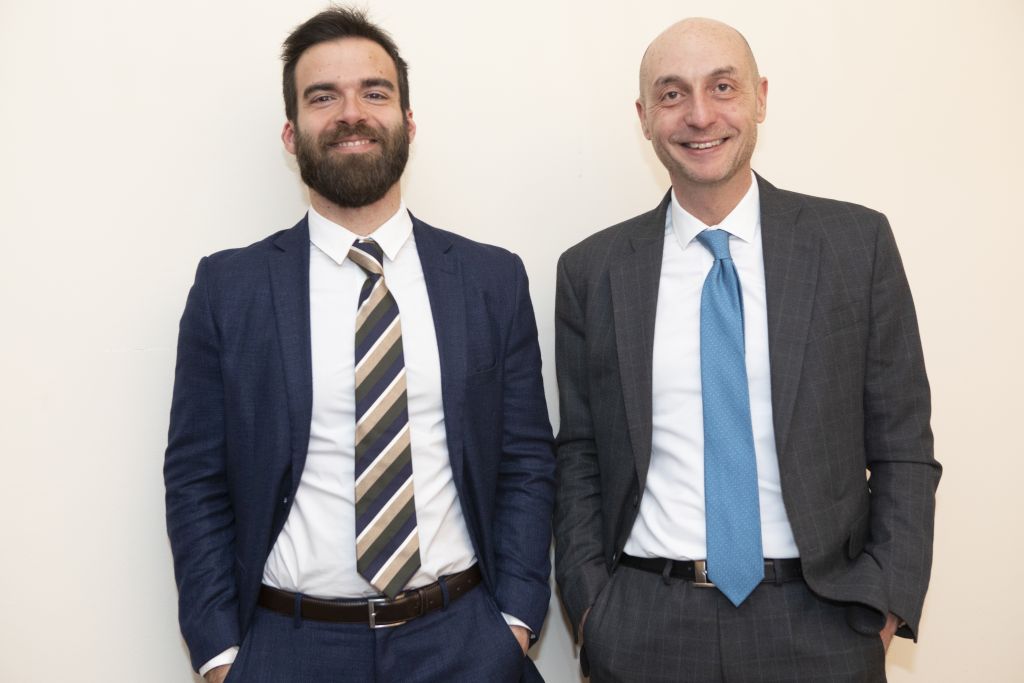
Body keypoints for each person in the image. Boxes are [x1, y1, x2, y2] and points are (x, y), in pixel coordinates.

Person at [164, 8, 554, 682]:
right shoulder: (228, 289)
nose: (352, 113)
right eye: (323, 97)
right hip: (289, 650)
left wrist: (514, 621)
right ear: (291, 133)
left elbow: (525, 459)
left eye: (375, 92)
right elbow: (196, 479)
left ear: (408, 121)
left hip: (463, 642)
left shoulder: (491, 280)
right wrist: (221, 655)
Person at [553, 17, 939, 682]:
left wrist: (882, 602)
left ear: (760, 97)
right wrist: (594, 608)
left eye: (722, 87)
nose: (700, 115)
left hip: (821, 623)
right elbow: (580, 451)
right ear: (644, 118)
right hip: (646, 626)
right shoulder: (594, 270)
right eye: (672, 94)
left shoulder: (855, 245)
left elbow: (902, 443)